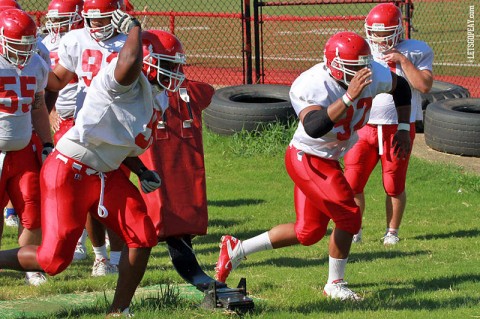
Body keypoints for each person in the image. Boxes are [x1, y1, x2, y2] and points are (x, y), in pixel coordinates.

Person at [215, 31, 412, 300]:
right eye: (352, 69)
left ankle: (236, 249)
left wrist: (401, 128)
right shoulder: (310, 84)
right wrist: (348, 98)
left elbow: (401, 87)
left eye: (363, 67)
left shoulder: (372, 73)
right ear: (333, 66)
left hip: (328, 157)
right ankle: (335, 284)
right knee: (350, 215)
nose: (360, 74)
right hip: (308, 157)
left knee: (308, 232)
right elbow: (314, 127)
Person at [0, 9, 164, 315]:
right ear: (147, 60)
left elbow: (120, 139)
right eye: (169, 65)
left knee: (142, 234)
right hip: (70, 169)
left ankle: (119, 311)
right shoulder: (119, 79)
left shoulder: (152, 94)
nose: (175, 74)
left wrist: (141, 170)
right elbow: (127, 61)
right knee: (53, 261)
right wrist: (135, 29)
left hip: (105, 171)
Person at [46, 0, 127, 273]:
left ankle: (116, 258)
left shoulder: (129, 42)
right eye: (91, 19)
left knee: (118, 198)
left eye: (102, 19)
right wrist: (31, 67)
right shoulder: (75, 39)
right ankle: (101, 257)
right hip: (85, 128)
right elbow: (57, 80)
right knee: (91, 198)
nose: (96, 25)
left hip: (118, 132)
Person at [344, 3, 433, 245]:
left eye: (384, 33)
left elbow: (424, 85)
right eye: (374, 32)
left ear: (398, 30)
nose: (379, 38)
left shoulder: (416, 50)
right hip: (363, 125)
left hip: (397, 126)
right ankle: (354, 230)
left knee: (393, 184)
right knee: (352, 182)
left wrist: (403, 61)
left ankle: (391, 232)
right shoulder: (361, 49)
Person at [0, 8, 54, 285]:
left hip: (22, 148)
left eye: (27, 46)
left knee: (33, 210)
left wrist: (47, 142)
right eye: (16, 46)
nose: (23, 53)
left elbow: (37, 105)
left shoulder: (36, 63)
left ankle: (29, 267)